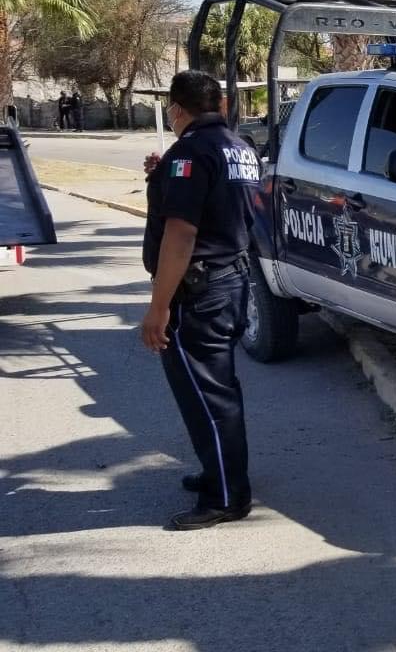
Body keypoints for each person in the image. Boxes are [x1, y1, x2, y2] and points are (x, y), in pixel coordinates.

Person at [139, 70, 261, 530]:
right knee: (218, 389)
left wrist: (158, 306)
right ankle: (223, 474)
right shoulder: (239, 147)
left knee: (207, 394)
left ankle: (226, 496)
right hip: (230, 279)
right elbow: (219, 204)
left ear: (176, 110)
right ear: (221, 106)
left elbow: (182, 232)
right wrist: (162, 176)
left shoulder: (190, 151)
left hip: (200, 289)